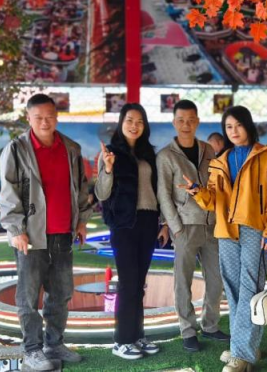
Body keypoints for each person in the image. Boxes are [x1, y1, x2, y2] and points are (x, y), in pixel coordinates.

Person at [180, 106, 267, 372]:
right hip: (226, 230)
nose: (234, 131)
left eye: (238, 125)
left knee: (250, 288)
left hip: (254, 229)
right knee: (233, 289)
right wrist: (197, 192)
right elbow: (212, 201)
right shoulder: (220, 161)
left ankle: (239, 353)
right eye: (228, 127)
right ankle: (246, 348)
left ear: (248, 125)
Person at [0, 93, 91, 370]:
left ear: (57, 117)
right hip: (30, 235)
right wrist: (16, 228)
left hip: (63, 232)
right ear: (28, 118)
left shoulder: (71, 148)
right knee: (28, 296)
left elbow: (81, 188)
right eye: (38, 117)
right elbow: (8, 192)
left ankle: (54, 344)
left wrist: (81, 221)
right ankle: (32, 349)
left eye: (49, 116)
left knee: (61, 292)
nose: (44, 122)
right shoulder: (16, 149)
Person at [95, 103, 168, 360]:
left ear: (144, 126)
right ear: (121, 123)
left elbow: (159, 192)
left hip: (148, 221)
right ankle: (122, 341)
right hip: (123, 224)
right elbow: (101, 193)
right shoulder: (110, 153)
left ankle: (137, 335)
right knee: (128, 283)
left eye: (139, 121)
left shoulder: (149, 154)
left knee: (139, 284)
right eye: (129, 120)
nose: (134, 125)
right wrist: (107, 168)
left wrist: (164, 223)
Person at [157, 100, 228, 353]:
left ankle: (210, 325)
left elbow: (217, 185)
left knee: (216, 279)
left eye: (191, 120)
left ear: (197, 122)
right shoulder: (166, 156)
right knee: (183, 282)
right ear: (174, 122)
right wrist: (176, 227)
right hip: (185, 227)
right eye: (181, 120)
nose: (186, 125)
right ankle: (187, 330)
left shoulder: (208, 150)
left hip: (212, 225)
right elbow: (164, 195)